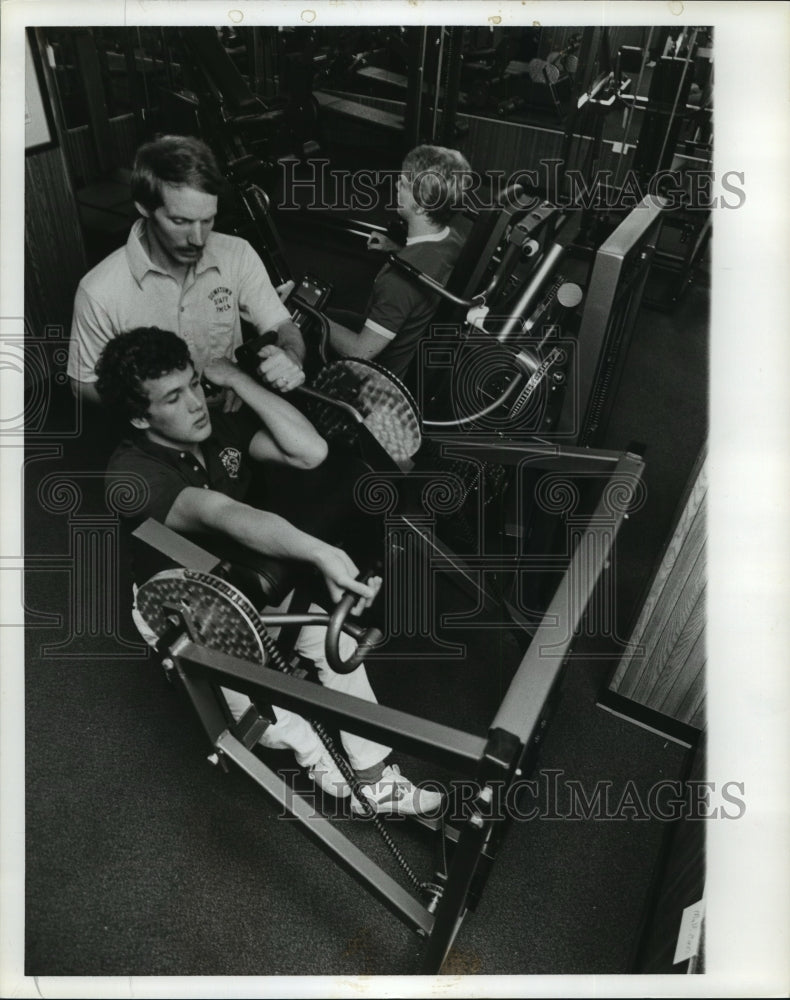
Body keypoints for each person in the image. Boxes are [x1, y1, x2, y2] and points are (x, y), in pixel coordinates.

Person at [96, 326, 442, 817]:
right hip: (186, 604)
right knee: (272, 718)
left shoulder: (213, 424)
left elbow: (310, 450)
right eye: (174, 397)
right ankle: (332, 773)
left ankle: (374, 777)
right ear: (139, 416)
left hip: (247, 569)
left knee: (336, 641)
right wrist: (318, 552)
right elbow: (226, 516)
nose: (196, 402)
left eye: (195, 384)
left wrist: (238, 380)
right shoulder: (130, 474)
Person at [68, 135, 306, 411]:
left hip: (231, 411)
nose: (198, 238)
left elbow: (281, 326)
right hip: (157, 428)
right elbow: (83, 385)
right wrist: (161, 403)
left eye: (207, 220)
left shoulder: (237, 253)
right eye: (180, 221)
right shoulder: (99, 290)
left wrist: (290, 357)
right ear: (144, 206)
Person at [326, 145, 471, 383]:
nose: (396, 185)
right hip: (406, 340)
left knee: (308, 318)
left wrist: (305, 313)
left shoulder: (398, 280)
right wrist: (397, 249)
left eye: (403, 184)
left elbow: (360, 352)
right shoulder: (453, 239)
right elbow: (430, 262)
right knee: (327, 312)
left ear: (422, 205)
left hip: (378, 382)